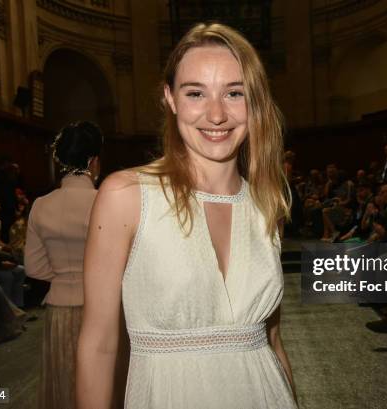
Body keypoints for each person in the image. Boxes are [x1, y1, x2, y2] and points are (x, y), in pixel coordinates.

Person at [76, 23, 298, 409]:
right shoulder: (126, 196)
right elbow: (98, 345)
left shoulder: (267, 205)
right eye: (195, 93)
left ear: (255, 101)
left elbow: (273, 342)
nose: (216, 114)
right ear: (170, 99)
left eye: (234, 93)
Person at [25, 121, 103, 409]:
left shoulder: (41, 205)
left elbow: (33, 268)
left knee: (64, 382)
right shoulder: (106, 201)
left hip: (59, 307)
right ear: (94, 161)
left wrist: (64, 277)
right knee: (102, 384)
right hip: (102, 308)